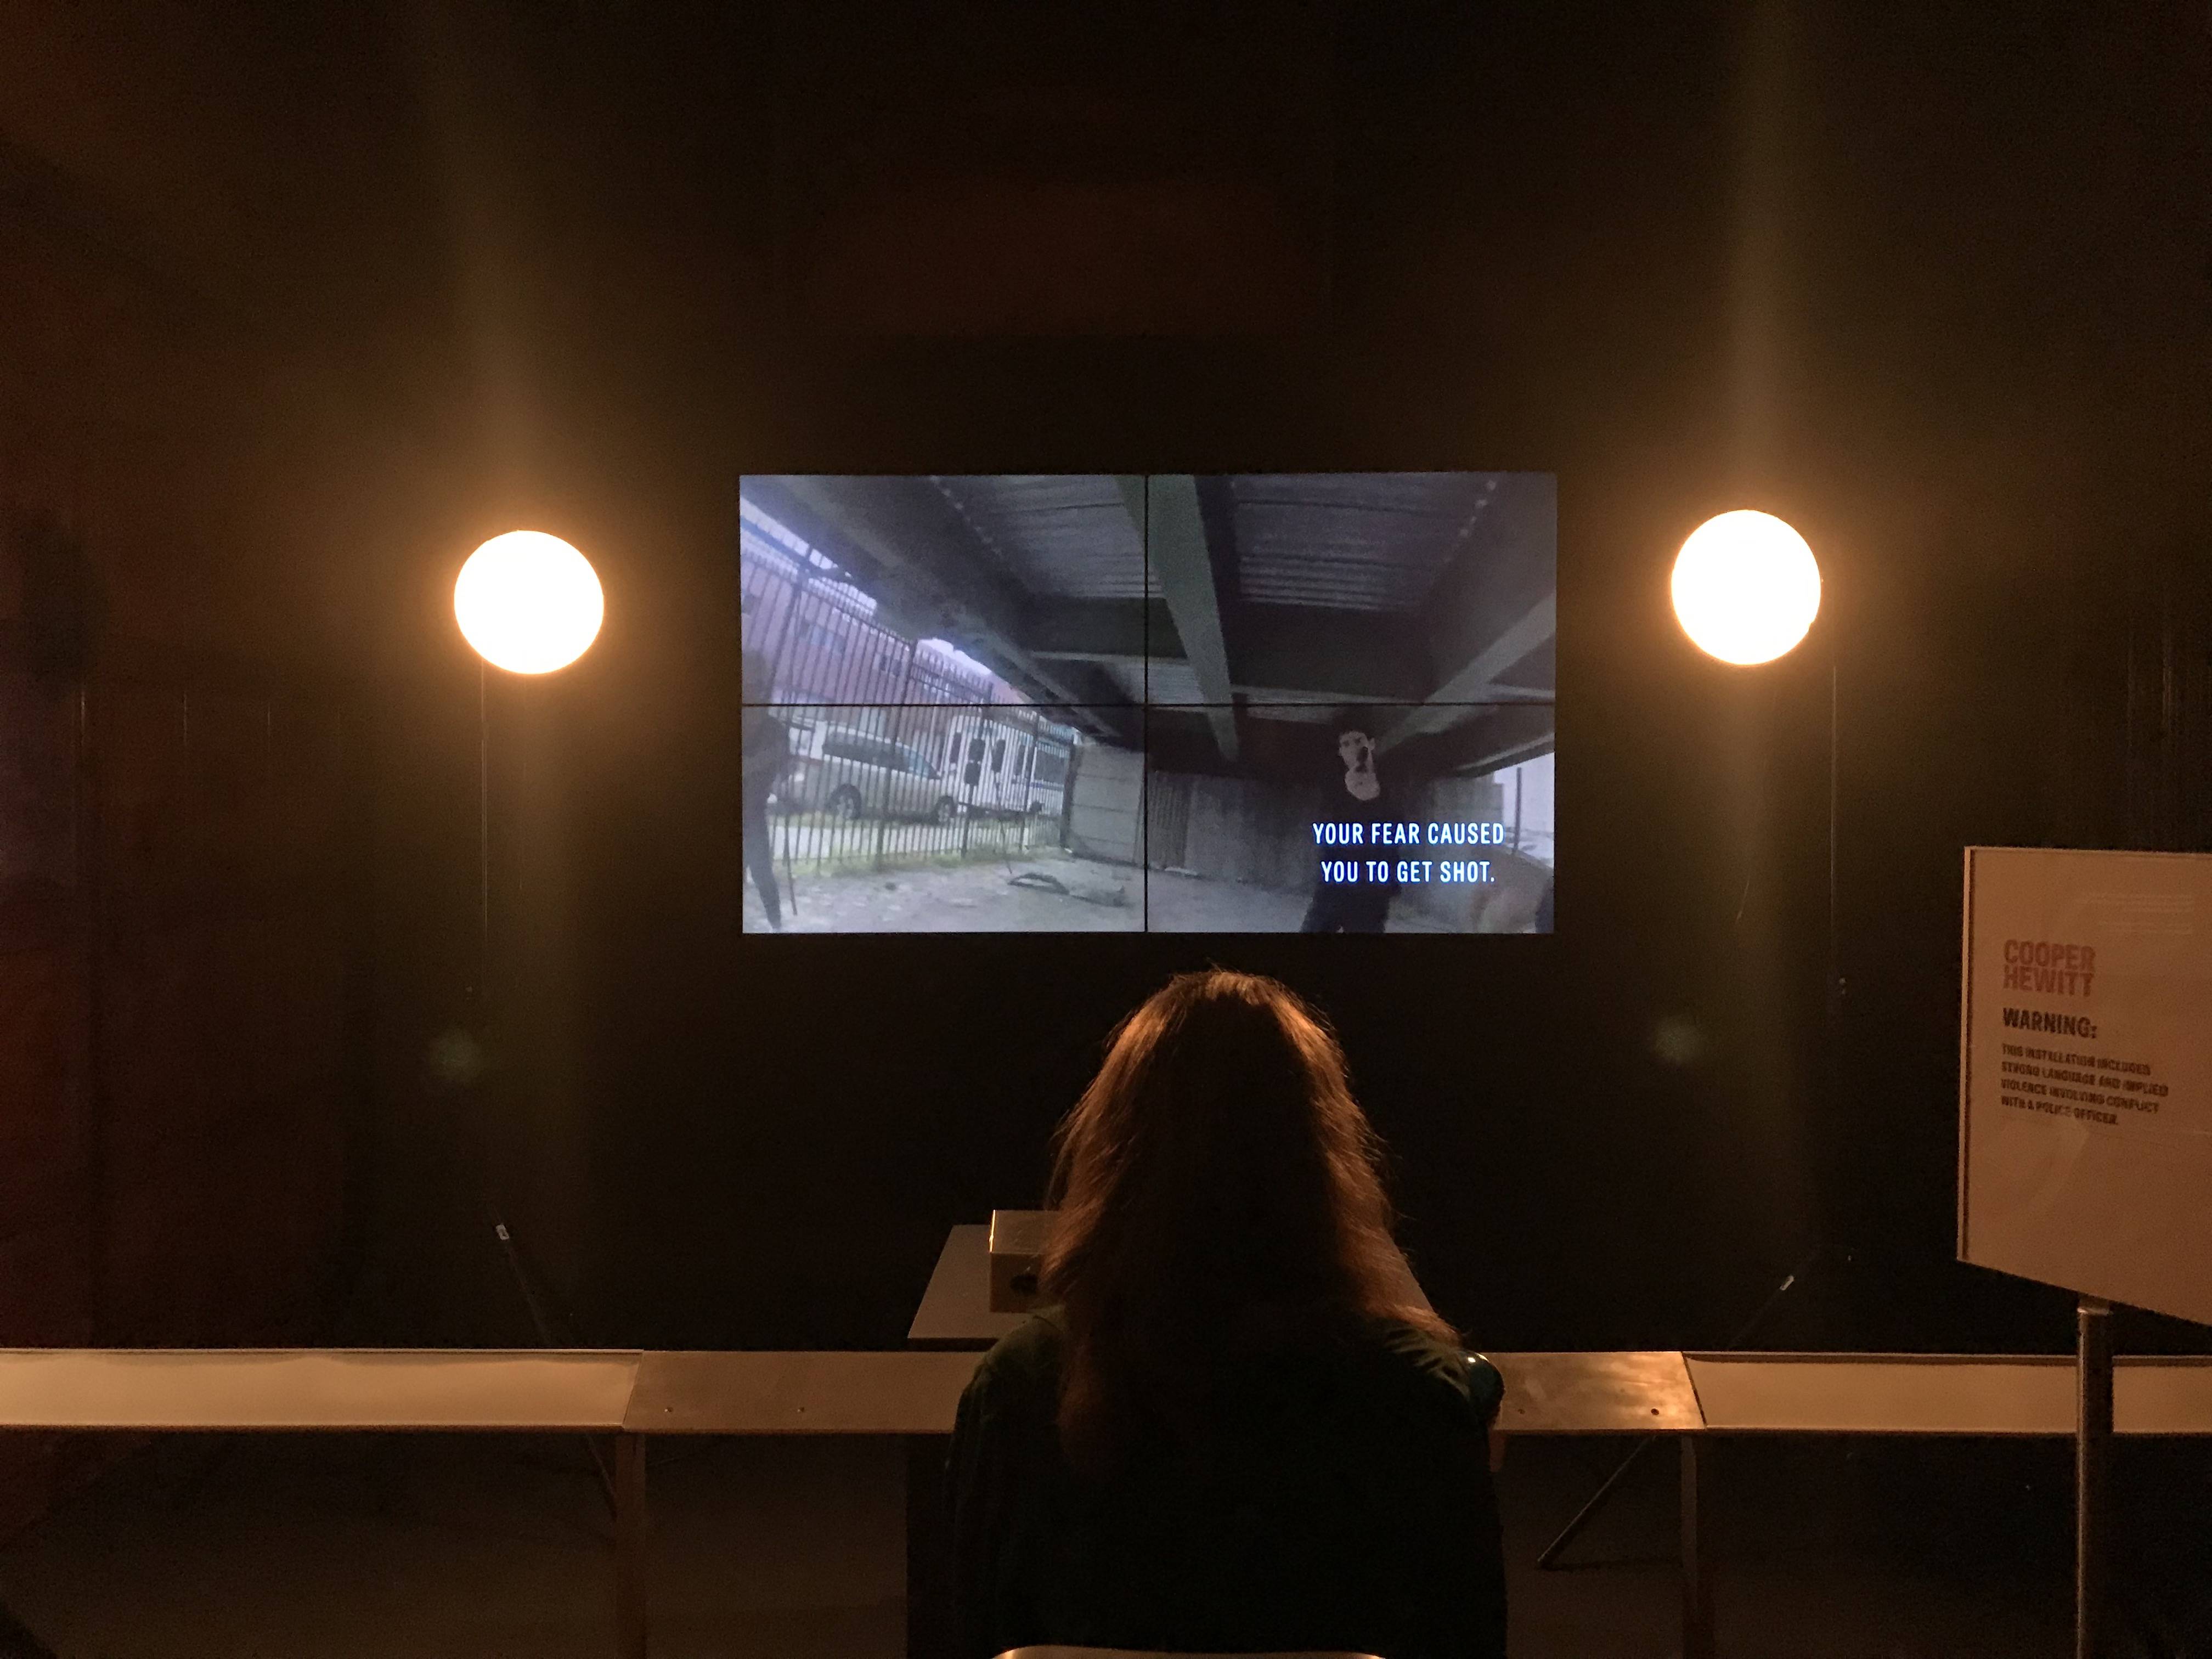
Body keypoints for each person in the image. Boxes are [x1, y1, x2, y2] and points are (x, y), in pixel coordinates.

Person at [949, 970, 1506, 1659]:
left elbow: (975, 1630)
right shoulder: (1418, 1401)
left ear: (1114, 1145)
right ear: (1320, 1150)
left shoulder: (1019, 1389)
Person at [1301, 722, 1401, 933]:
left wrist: (1373, 799)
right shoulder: (1334, 786)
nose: (1353, 749)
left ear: (1371, 745)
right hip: (1335, 887)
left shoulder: (1391, 784)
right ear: (1340, 752)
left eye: (1358, 742)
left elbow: (1396, 834)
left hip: (1371, 892)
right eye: (1346, 744)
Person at [740, 650, 788, 931]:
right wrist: (762, 761)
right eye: (747, 683)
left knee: (762, 873)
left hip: (753, 814)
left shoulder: (774, 730)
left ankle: (777, 926)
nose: (753, 690)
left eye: (758, 685)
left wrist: (782, 767)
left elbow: (783, 768)